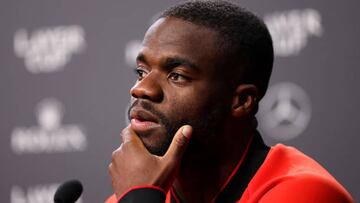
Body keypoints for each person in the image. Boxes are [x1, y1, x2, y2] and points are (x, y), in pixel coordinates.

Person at [106, 1, 354, 202]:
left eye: (177, 76)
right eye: (141, 72)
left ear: (241, 101)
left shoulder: (305, 192)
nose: (141, 89)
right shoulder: (133, 196)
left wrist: (139, 199)